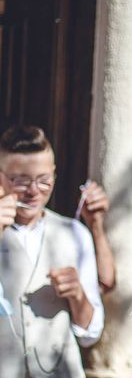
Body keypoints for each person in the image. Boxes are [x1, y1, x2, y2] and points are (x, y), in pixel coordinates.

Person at [0, 125, 106, 377]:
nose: (34, 191)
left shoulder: (75, 234)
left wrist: (78, 296)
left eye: (44, 180)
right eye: (21, 181)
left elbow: (90, 334)